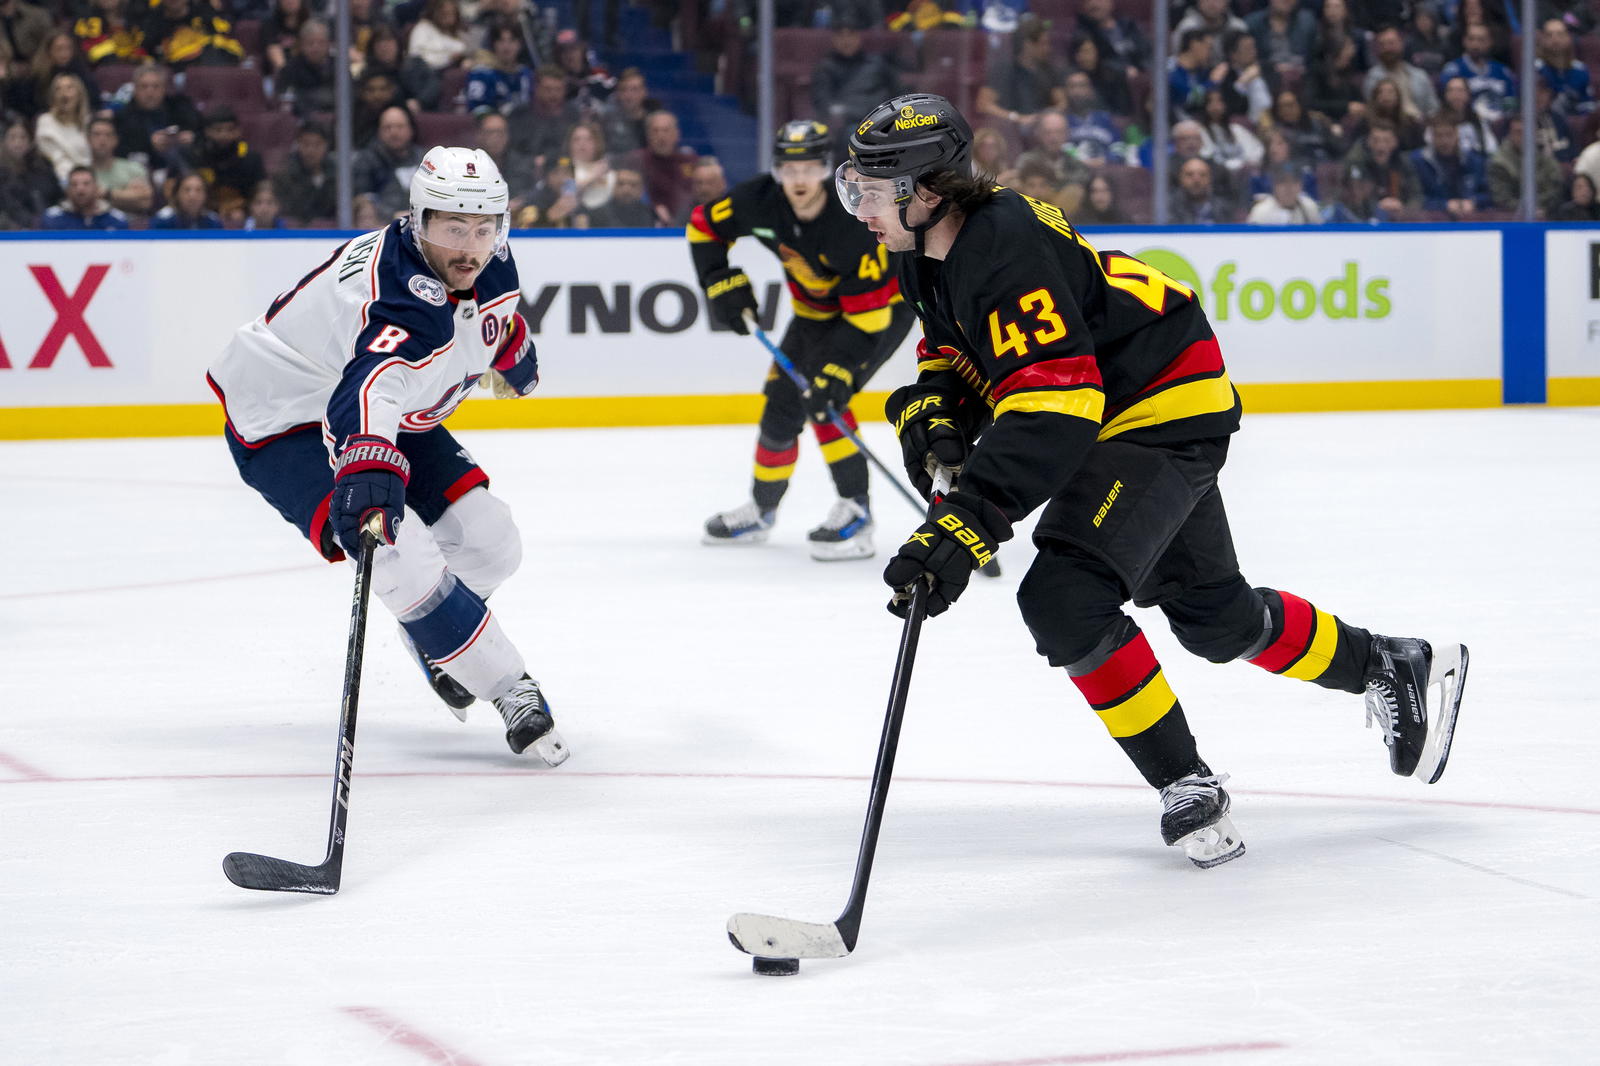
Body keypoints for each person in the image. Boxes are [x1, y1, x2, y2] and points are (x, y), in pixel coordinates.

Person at [835, 92, 1469, 867]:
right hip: (1130, 400)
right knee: (1216, 619)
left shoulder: (1004, 247)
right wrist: (936, 406)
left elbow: (1054, 411)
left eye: (871, 189)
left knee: (1064, 600)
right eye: (853, 185)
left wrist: (965, 524)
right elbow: (958, 349)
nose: (857, 204)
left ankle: (1185, 782)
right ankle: (1385, 661)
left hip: (1155, 406)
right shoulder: (929, 253)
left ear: (927, 191)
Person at [207, 146, 568, 765]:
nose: (470, 246)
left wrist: (511, 350)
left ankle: (441, 640)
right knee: (398, 550)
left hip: (384, 401)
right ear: (419, 220)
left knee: (490, 541)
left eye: (484, 227)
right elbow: (368, 387)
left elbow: (491, 319)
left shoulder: (487, 263)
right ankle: (510, 686)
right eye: (453, 227)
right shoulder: (400, 301)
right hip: (285, 417)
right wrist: (370, 468)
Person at [688, 119, 915, 560]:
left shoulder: (853, 223)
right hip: (813, 315)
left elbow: (866, 322)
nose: (798, 180)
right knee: (779, 407)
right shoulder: (759, 201)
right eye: (788, 170)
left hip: (878, 316)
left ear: (827, 169)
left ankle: (857, 512)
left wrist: (837, 369)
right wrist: (719, 280)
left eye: (809, 168)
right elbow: (703, 226)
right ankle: (761, 509)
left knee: (827, 398)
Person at [630, 109, 698, 226]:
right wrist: (653, 208)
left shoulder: (690, 161)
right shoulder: (636, 160)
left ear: (677, 133)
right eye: (655, 131)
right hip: (645, 225)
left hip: (687, 223)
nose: (661, 136)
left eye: (666, 130)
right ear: (648, 135)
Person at [1412, 113, 1487, 219]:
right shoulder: (1419, 161)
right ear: (1431, 137)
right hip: (1432, 221)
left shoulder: (1474, 160)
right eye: (1439, 135)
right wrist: (1444, 205)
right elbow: (1417, 198)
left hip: (1470, 220)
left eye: (1449, 135)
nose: (1444, 141)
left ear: (1457, 135)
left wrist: (1473, 202)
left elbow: (1488, 194)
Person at [272, 118, 337, 225]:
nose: (311, 150)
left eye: (317, 145)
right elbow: (290, 213)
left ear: (326, 146)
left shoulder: (338, 175)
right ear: (298, 145)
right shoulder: (285, 176)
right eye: (306, 144)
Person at [0, 114, 60, 228]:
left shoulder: (43, 169)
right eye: (12, 137)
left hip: (44, 227)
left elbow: (54, 197)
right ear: (3, 141)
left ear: (31, 141)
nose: (18, 143)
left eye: (23, 137)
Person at [87, 115, 153, 217]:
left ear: (115, 140)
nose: (102, 140)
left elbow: (145, 202)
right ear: (88, 140)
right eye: (96, 134)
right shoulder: (82, 173)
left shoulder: (133, 168)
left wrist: (106, 194)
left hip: (128, 229)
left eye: (108, 135)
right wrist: (127, 196)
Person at [34, 71, 93, 183]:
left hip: (91, 179)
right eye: (58, 89)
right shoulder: (46, 121)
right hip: (61, 180)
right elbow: (57, 160)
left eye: (69, 88)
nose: (63, 93)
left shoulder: (89, 122)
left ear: (79, 94)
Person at [465, 19, 532, 116]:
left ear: (520, 44)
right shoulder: (481, 74)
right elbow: (477, 112)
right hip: (493, 129)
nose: (506, 46)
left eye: (512, 40)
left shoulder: (526, 74)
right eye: (501, 40)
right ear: (493, 44)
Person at [40, 165, 129, 229]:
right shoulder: (53, 219)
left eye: (86, 184)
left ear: (96, 188)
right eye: (74, 184)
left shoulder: (115, 220)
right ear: (67, 190)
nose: (80, 189)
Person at [1246, 161, 1322, 224]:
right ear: (1274, 185)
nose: (1289, 187)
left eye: (1294, 181)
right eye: (1283, 182)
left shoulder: (1309, 207)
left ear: (1301, 185)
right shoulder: (1261, 212)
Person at [151, 170, 223, 228]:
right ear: (177, 194)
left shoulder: (213, 221)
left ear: (206, 195)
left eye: (198, 190)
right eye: (187, 190)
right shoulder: (163, 220)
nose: (192, 196)